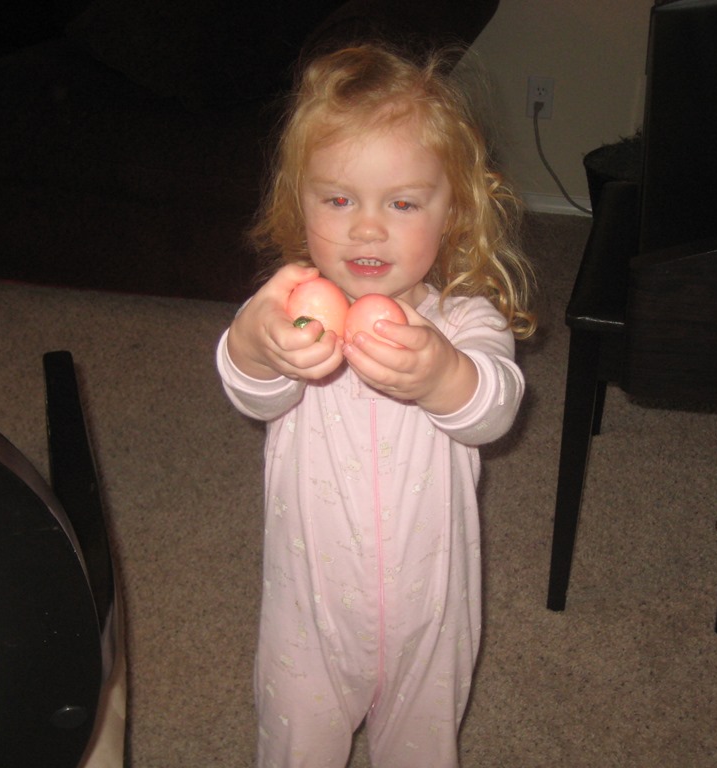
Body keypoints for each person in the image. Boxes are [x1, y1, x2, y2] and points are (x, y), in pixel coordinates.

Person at [215, 43, 537, 767]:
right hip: (308, 618)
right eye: (338, 200)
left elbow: (495, 409)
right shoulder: (290, 309)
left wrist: (442, 375)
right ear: (299, 202)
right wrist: (257, 344)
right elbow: (248, 389)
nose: (366, 228)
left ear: (452, 211)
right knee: (295, 750)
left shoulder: (463, 320)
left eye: (402, 203)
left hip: (431, 616)